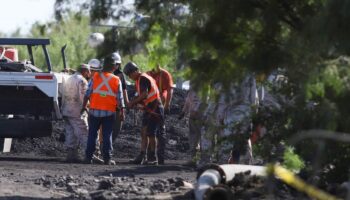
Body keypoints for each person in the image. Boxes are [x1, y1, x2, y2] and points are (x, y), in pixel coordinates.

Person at [82, 55, 125, 165]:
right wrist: (122, 112)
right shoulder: (116, 79)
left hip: (94, 111)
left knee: (92, 134)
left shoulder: (95, 76)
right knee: (107, 135)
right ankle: (107, 159)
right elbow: (120, 98)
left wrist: (83, 106)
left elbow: (87, 94)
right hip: (109, 112)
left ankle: (88, 158)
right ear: (113, 67)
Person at [123, 62, 166, 165]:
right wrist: (137, 103)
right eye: (128, 75)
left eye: (130, 74)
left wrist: (132, 102)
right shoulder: (140, 79)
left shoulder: (142, 78)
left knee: (151, 133)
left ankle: (153, 158)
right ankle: (142, 156)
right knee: (144, 132)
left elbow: (144, 94)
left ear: (136, 71)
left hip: (155, 108)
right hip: (150, 108)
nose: (130, 77)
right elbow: (144, 96)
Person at [61, 64, 91, 162]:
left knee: (70, 133)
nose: (90, 74)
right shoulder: (82, 80)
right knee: (83, 132)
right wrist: (86, 108)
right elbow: (83, 96)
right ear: (85, 71)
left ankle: (71, 155)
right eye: (89, 71)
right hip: (77, 110)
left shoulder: (69, 78)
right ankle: (90, 155)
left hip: (66, 109)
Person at [179, 86, 206, 166]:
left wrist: (196, 110)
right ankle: (194, 159)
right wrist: (183, 112)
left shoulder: (204, 89)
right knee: (193, 138)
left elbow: (204, 101)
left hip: (202, 116)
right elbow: (188, 101)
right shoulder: (192, 90)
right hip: (192, 117)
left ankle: (204, 160)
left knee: (203, 138)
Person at [112, 52, 129, 141]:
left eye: (117, 64)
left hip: (117, 106)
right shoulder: (102, 74)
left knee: (117, 128)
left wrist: (126, 104)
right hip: (105, 106)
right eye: (114, 64)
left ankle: (107, 145)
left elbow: (124, 90)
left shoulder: (120, 75)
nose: (116, 66)